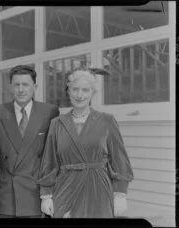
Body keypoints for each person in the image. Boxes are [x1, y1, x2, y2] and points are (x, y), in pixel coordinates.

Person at [38, 68, 134, 218]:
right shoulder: (57, 124)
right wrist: (46, 195)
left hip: (98, 189)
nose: (79, 95)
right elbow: (49, 162)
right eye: (75, 89)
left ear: (93, 93)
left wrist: (120, 194)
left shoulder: (106, 120)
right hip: (66, 188)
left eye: (85, 90)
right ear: (68, 91)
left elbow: (119, 159)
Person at [0, 65, 59, 218]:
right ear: (10, 87)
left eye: (25, 84)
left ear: (35, 86)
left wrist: (50, 193)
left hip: (38, 194)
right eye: (16, 85)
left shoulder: (49, 112)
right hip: (8, 195)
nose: (21, 89)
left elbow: (53, 157)